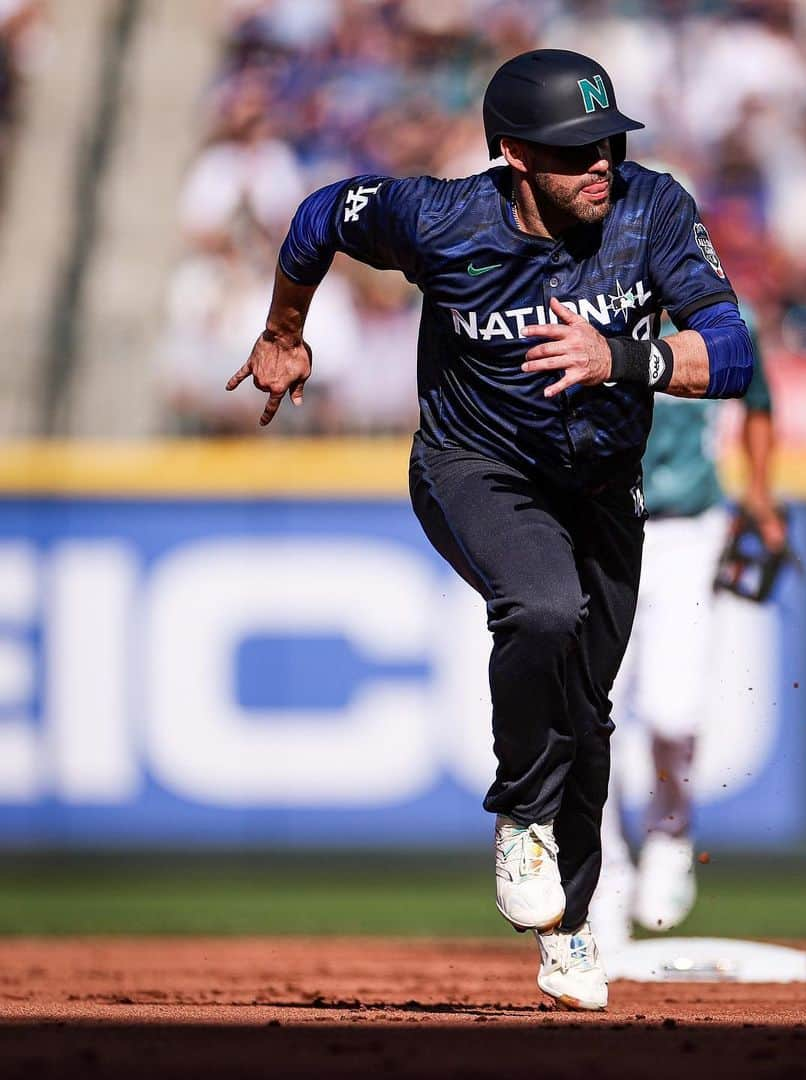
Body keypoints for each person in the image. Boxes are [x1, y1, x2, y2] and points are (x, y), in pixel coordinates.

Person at [225, 48, 754, 1011]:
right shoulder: (438, 218)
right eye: (573, 150)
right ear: (514, 153)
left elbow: (732, 351)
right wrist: (284, 328)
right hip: (475, 469)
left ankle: (572, 929)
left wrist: (621, 358)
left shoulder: (653, 209)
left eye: (608, 141)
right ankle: (520, 814)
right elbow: (320, 217)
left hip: (599, 487)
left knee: (588, 712)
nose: (601, 162)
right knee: (543, 607)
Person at [589, 308, 785, 962]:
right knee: (595, 712)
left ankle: (671, 833)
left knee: (673, 705)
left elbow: (757, 402)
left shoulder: (725, 318)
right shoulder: (594, 301)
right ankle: (604, 878)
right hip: (603, 526)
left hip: (688, 527)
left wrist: (758, 493)